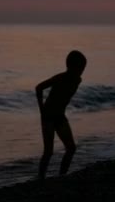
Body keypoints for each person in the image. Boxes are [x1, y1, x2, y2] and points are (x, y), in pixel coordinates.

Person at [35, 50, 87, 180]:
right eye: (80, 68)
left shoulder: (77, 80)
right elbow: (39, 88)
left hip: (60, 116)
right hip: (48, 116)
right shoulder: (60, 78)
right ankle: (40, 178)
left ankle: (62, 176)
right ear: (71, 67)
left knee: (71, 148)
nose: (81, 71)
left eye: (83, 68)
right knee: (48, 151)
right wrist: (41, 109)